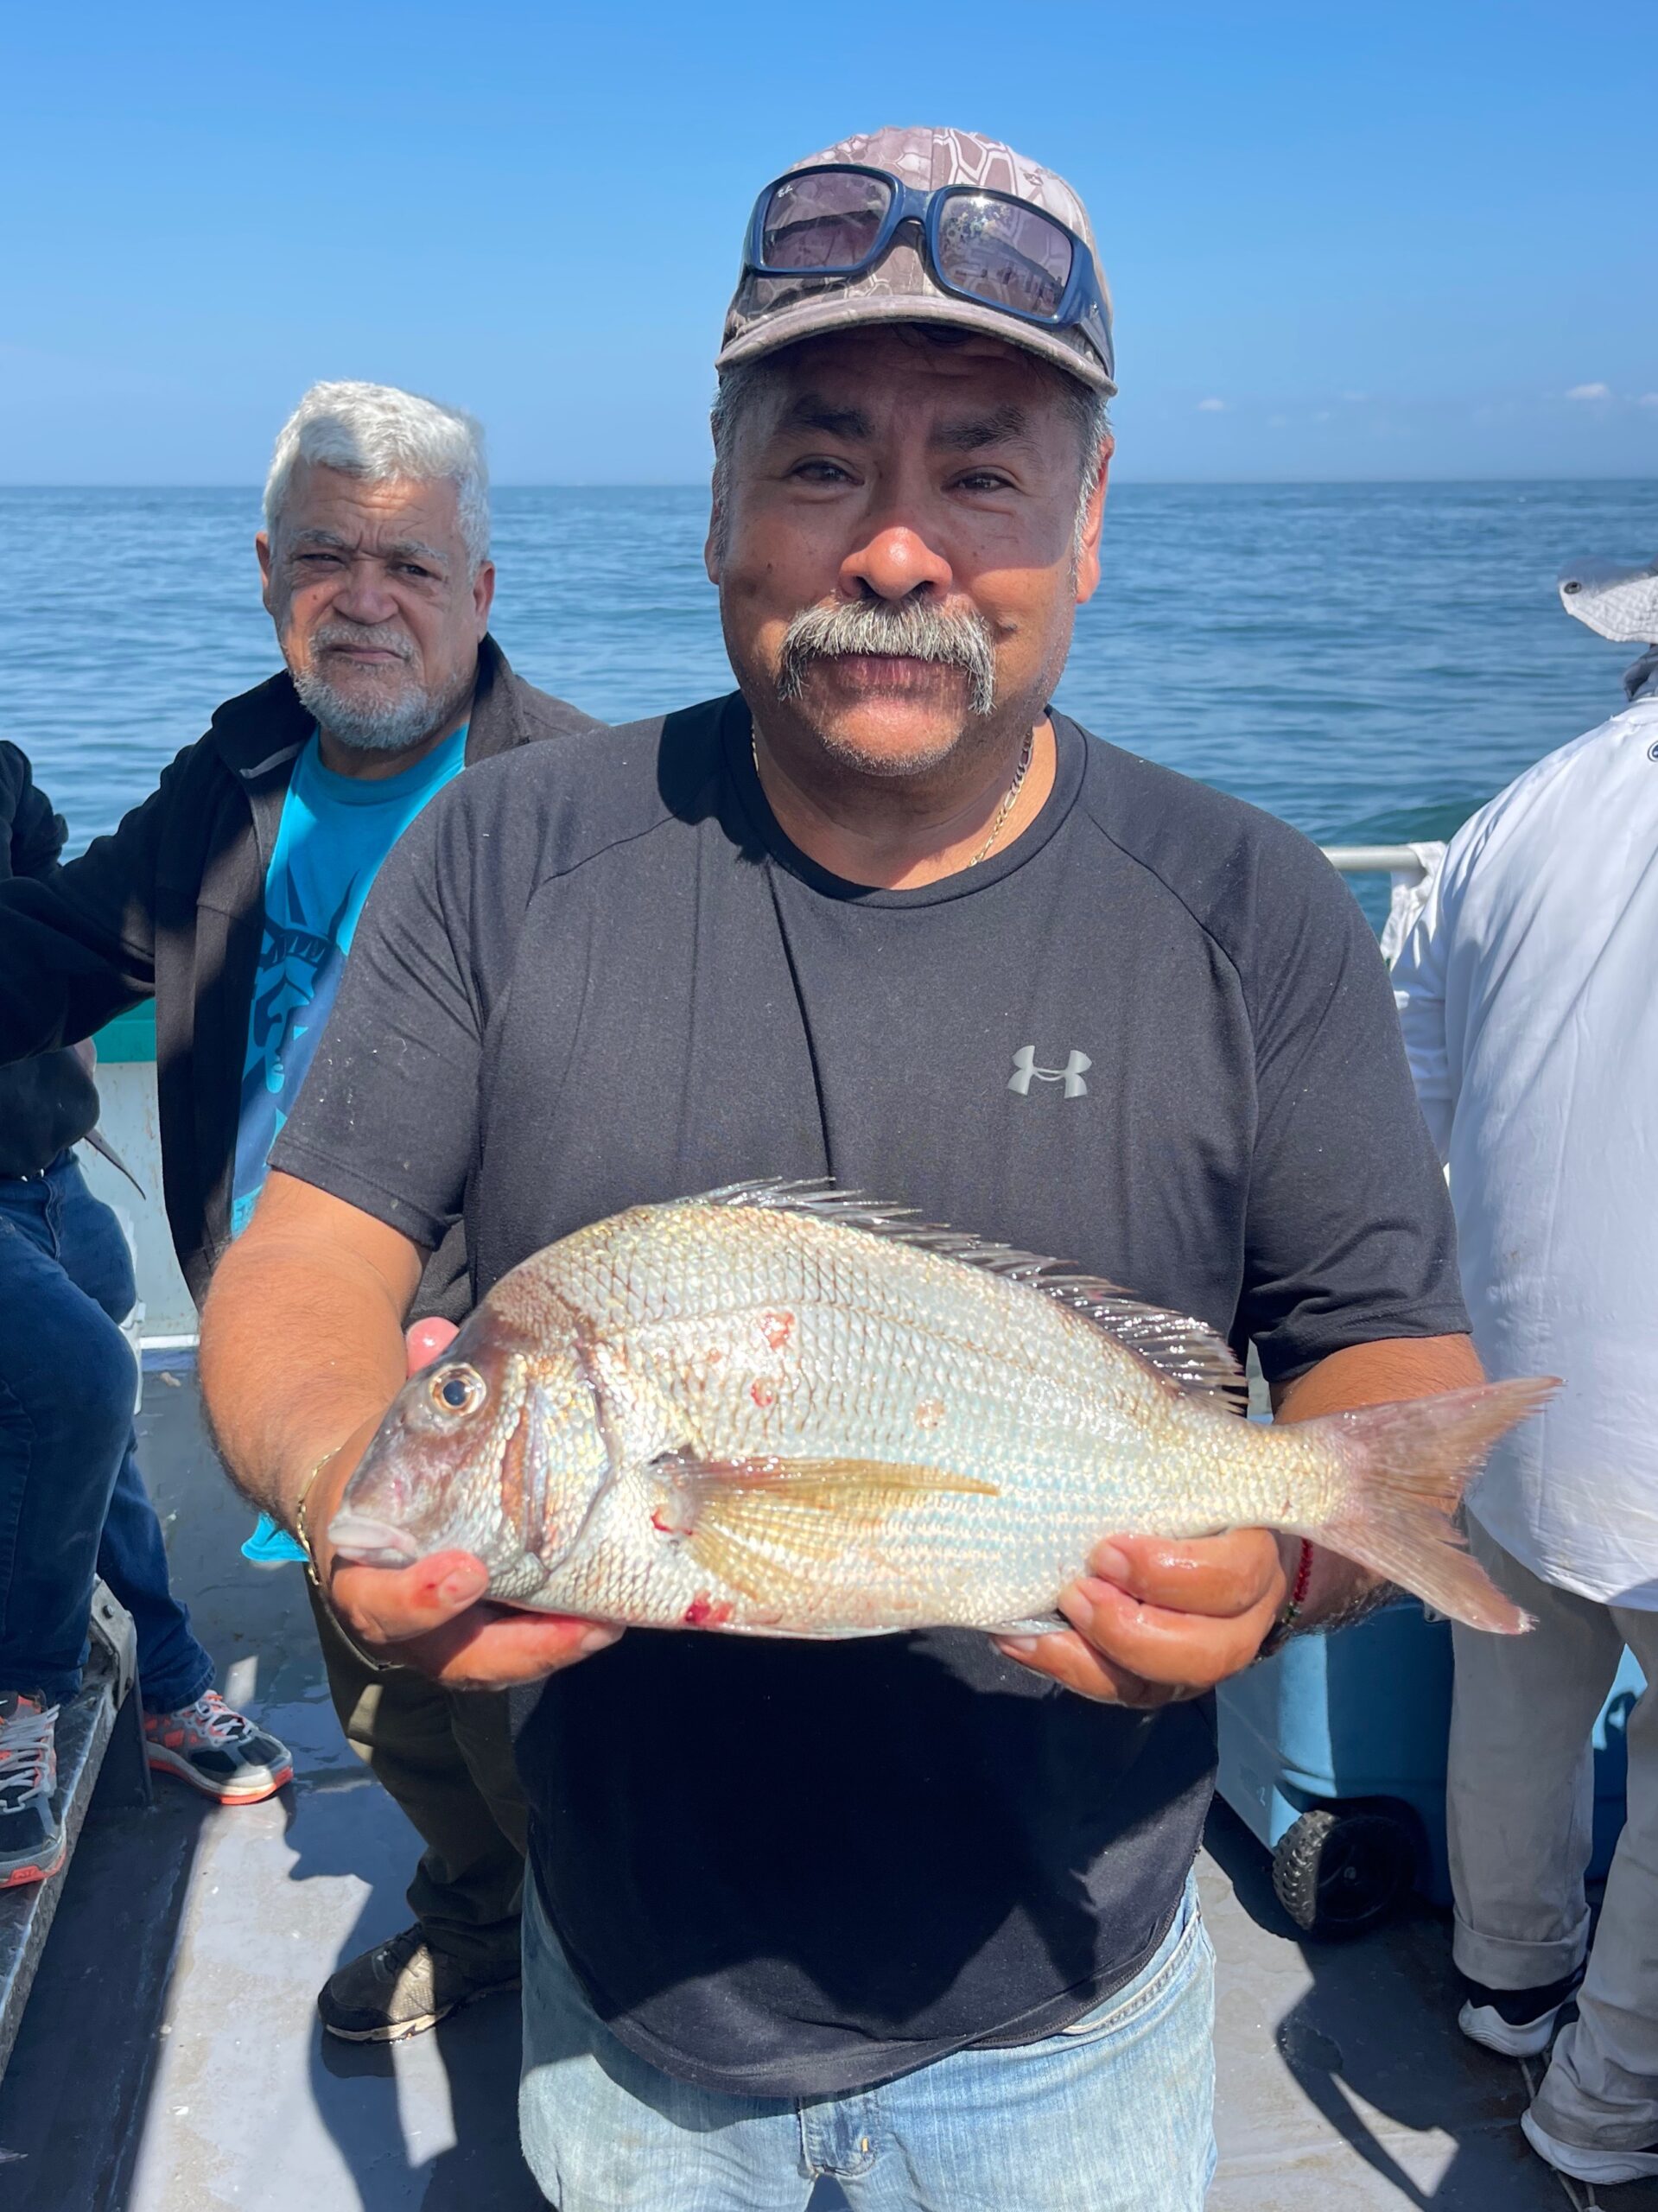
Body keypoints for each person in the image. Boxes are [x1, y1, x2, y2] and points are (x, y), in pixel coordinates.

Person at [200, 129, 1480, 2210]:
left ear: (1087, 523)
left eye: (980, 470)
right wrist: (364, 1486)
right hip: (629, 2003)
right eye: (818, 466)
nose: (896, 549)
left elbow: (1382, 1367)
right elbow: (299, 1272)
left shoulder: (1251, 906)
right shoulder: (508, 858)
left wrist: (1290, 1561)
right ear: (716, 501)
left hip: (1077, 2012)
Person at [0, 382, 604, 2037]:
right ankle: (482, 1929)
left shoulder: (586, 805)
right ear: (269, 571)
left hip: (493, 1391)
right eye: (327, 554)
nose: (366, 596)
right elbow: (57, 945)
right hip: (290, 1377)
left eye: (410, 561)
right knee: (397, 1719)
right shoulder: (239, 766)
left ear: (483, 592)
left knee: (548, 1737)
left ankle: (607, 1991)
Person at [1393, 555, 1658, 2190]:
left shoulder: (1514, 816)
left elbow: (1406, 1097)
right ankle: (1605, 2108)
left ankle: (1504, 1984)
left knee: (1515, 1692)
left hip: (1504, 1378)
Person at [0, 743, 290, 1887]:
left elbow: (55, 916)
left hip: (46, 1165)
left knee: (101, 1403)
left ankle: (167, 1685)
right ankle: (23, 1697)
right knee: (78, 1377)